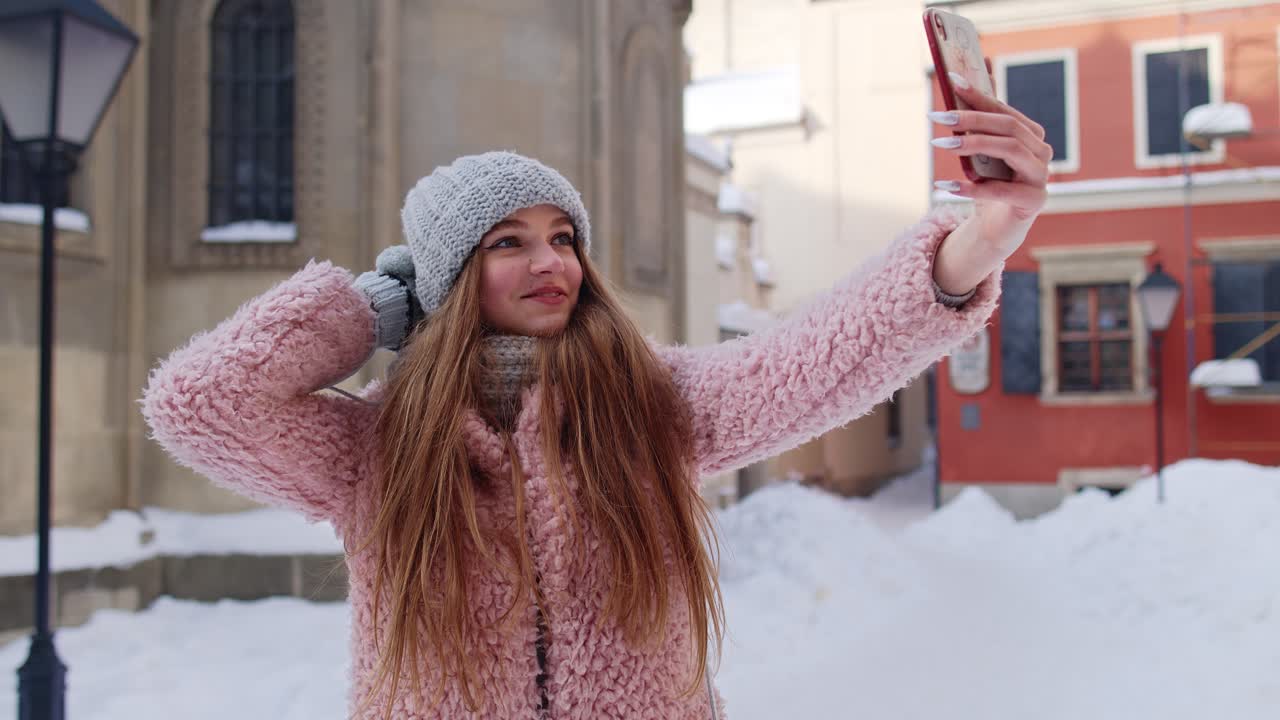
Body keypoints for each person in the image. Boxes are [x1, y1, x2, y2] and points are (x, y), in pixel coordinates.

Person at [140, 76, 1050, 720]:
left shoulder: (651, 402)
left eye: (563, 236)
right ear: (446, 283)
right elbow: (199, 402)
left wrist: (977, 243)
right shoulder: (378, 447)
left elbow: (817, 359)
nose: (551, 262)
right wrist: (363, 311)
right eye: (508, 242)